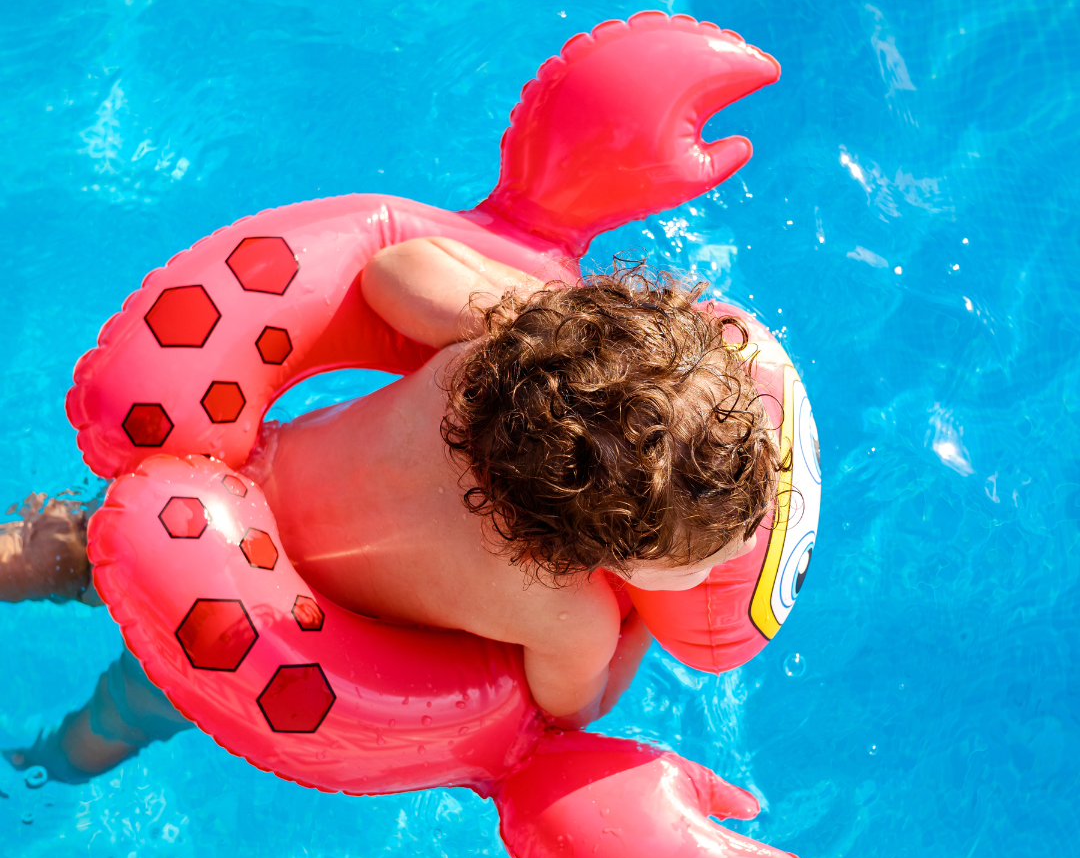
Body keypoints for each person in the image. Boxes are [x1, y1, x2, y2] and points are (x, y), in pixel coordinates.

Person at [3, 240, 781, 782]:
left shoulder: (486, 346)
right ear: (603, 554)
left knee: (68, 544)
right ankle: (51, 763)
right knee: (133, 707)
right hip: (242, 626)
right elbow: (570, 706)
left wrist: (531, 307)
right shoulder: (569, 614)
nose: (739, 549)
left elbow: (390, 271)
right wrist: (644, 624)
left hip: (206, 505)